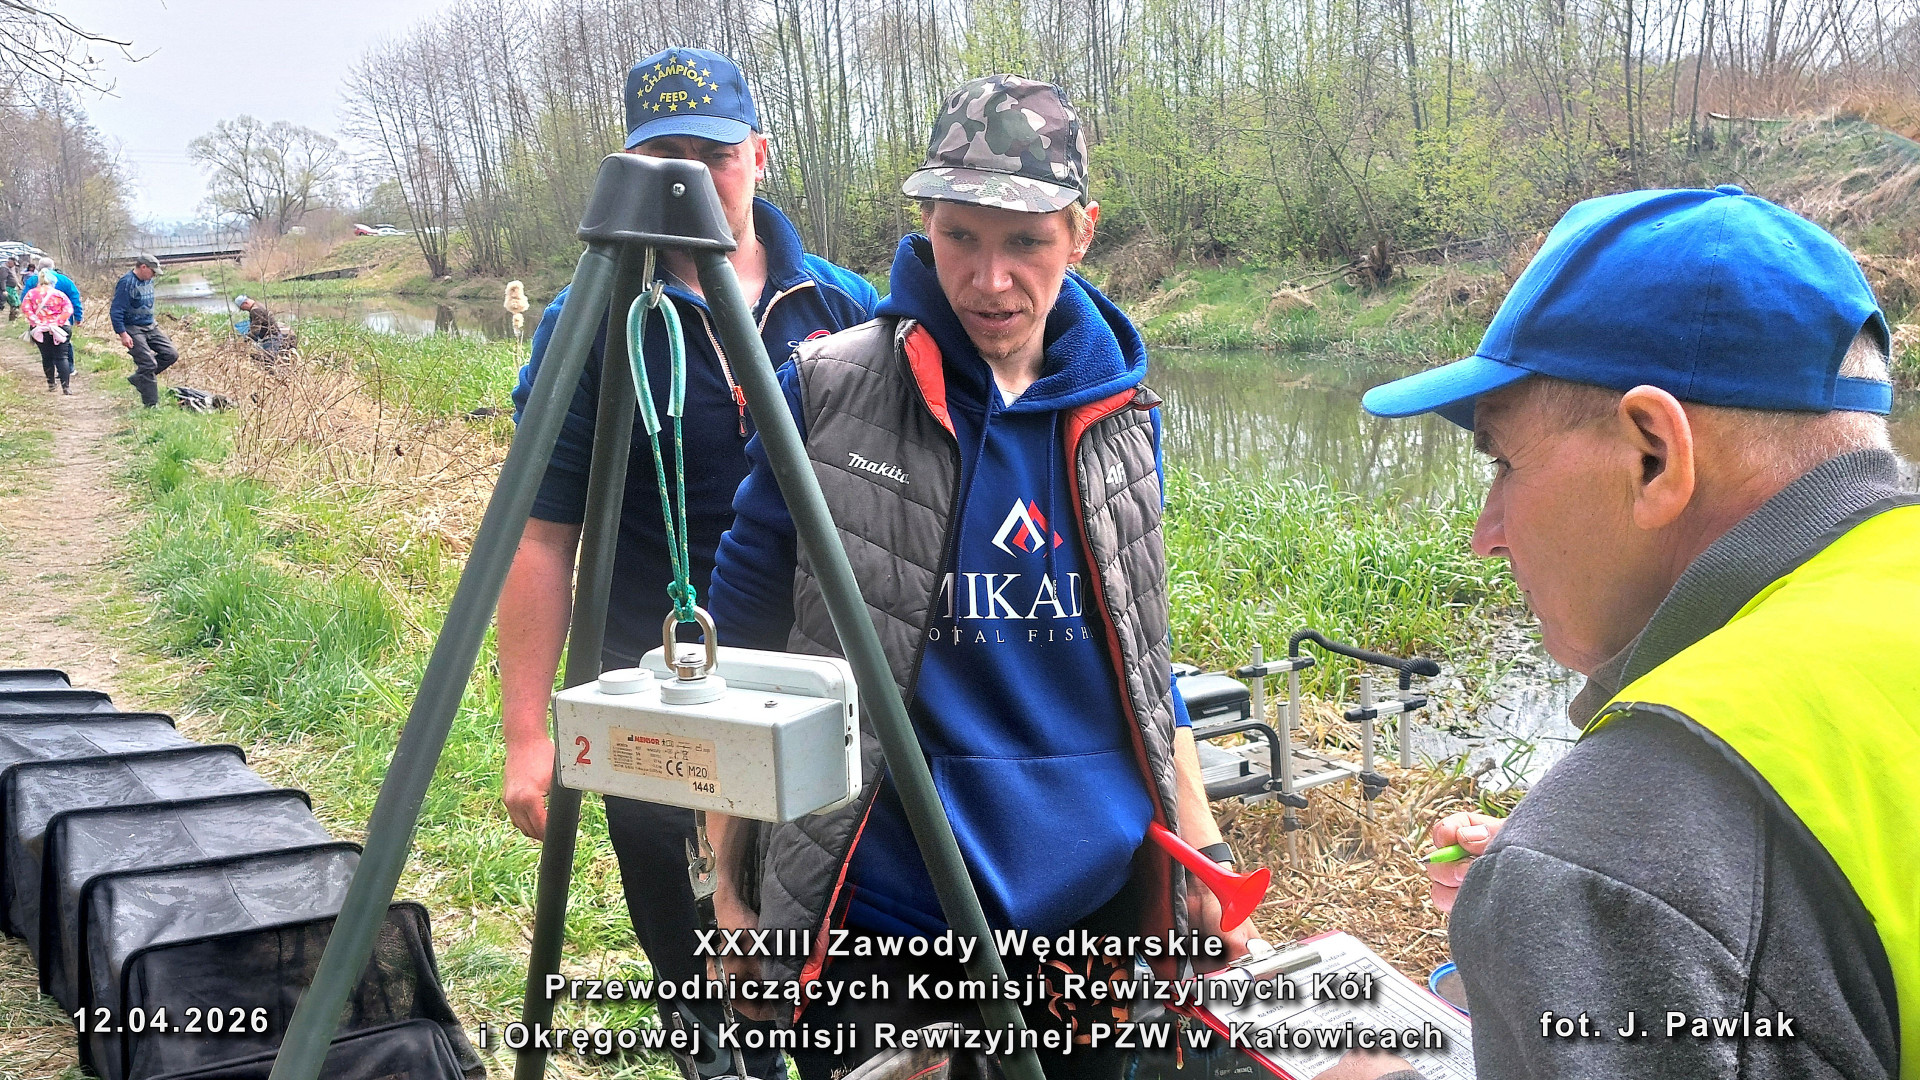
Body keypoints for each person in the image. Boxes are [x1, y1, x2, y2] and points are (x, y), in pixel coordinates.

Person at [705, 75, 1250, 1080]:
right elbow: (738, 649)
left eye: (1026, 242)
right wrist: (729, 886)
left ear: (1081, 233)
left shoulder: (1125, 418)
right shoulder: (826, 392)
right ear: (925, 224)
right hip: (884, 914)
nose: (990, 280)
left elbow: (1144, 661)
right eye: (961, 237)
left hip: (1090, 915)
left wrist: (1205, 850)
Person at [1354, 186, 1913, 1079]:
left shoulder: (1609, 856)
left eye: (1504, 462)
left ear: (1654, 453)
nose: (1486, 534)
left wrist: (1600, 880)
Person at [497, 46, 878, 1079]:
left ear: (759, 153)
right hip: (658, 702)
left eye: (712, 155)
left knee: (827, 975)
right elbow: (540, 535)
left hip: (818, 694)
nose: (689, 181)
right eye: (662, 159)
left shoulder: (840, 306)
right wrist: (527, 733)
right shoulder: (592, 322)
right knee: (701, 978)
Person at [111, 255, 178, 408]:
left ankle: (139, 378)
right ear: (143, 267)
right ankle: (151, 405)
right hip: (132, 327)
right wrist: (122, 334)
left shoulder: (149, 280)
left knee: (171, 354)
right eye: (152, 272)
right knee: (148, 364)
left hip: (150, 325)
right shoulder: (126, 283)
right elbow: (116, 310)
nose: (154, 275)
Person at [22, 271, 76, 393]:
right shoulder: (59, 294)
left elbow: (26, 309)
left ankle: (51, 384)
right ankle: (66, 387)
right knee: (62, 357)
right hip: (60, 329)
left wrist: (37, 321)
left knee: (46, 357)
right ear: (53, 281)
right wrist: (57, 322)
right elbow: (68, 309)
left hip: (39, 329)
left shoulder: (31, 294)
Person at [2, 257, 20, 321]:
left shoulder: (12, 268)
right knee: (13, 303)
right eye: (14, 264)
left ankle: (15, 317)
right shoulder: (4, 268)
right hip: (8, 288)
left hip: (13, 288)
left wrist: (18, 284)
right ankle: (12, 318)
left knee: (18, 302)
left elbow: (14, 277)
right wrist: (4, 290)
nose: (14, 265)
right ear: (10, 262)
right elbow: (2, 280)